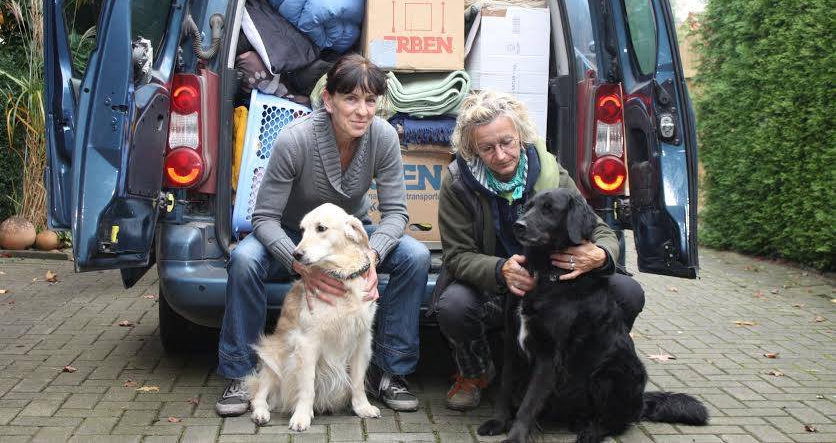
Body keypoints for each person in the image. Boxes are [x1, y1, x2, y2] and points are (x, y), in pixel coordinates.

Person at [216, 54, 430, 416]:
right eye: (351, 99)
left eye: (370, 101)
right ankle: (240, 374)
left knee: (415, 256)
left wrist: (371, 257)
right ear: (329, 100)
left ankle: (391, 370)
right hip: (291, 235)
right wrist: (301, 265)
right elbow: (264, 217)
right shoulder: (295, 140)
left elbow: (396, 213)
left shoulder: (383, 137)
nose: (362, 111)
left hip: (347, 236)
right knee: (244, 260)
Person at [433, 90, 645, 411]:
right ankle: (475, 372)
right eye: (487, 148)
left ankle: (586, 367)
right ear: (472, 149)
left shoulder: (549, 172)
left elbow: (598, 227)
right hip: (495, 284)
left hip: (552, 284)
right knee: (454, 306)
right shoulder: (457, 182)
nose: (501, 155)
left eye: (507, 142)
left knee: (627, 292)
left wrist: (601, 254)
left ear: (520, 136)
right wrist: (500, 270)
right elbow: (458, 255)